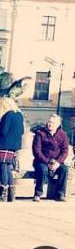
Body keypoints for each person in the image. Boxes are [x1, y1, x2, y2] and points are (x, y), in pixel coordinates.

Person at [0, 71, 27, 203]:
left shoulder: (8, 114)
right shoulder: (19, 115)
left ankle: (3, 192)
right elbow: (22, 131)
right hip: (13, 146)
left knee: (3, 167)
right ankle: (11, 193)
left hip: (3, 144)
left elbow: (3, 131)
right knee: (8, 168)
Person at [32, 114, 71, 202]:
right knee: (43, 169)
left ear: (58, 124)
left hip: (57, 162)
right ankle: (37, 194)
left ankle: (61, 194)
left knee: (64, 169)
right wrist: (47, 162)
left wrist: (58, 162)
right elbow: (37, 151)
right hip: (41, 161)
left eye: (52, 123)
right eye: (48, 122)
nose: (49, 124)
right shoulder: (40, 133)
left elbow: (65, 151)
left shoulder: (63, 135)